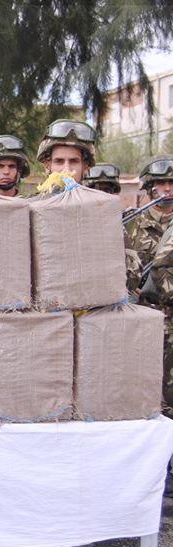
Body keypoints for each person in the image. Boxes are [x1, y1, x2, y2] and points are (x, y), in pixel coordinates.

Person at [128, 156, 173, 410]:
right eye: (161, 183)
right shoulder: (132, 223)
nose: (167, 189)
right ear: (149, 186)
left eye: (172, 182)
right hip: (141, 316)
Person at [36, 119, 96, 183]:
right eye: (59, 161)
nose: (67, 171)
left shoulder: (96, 193)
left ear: (85, 167)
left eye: (74, 161)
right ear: (47, 166)